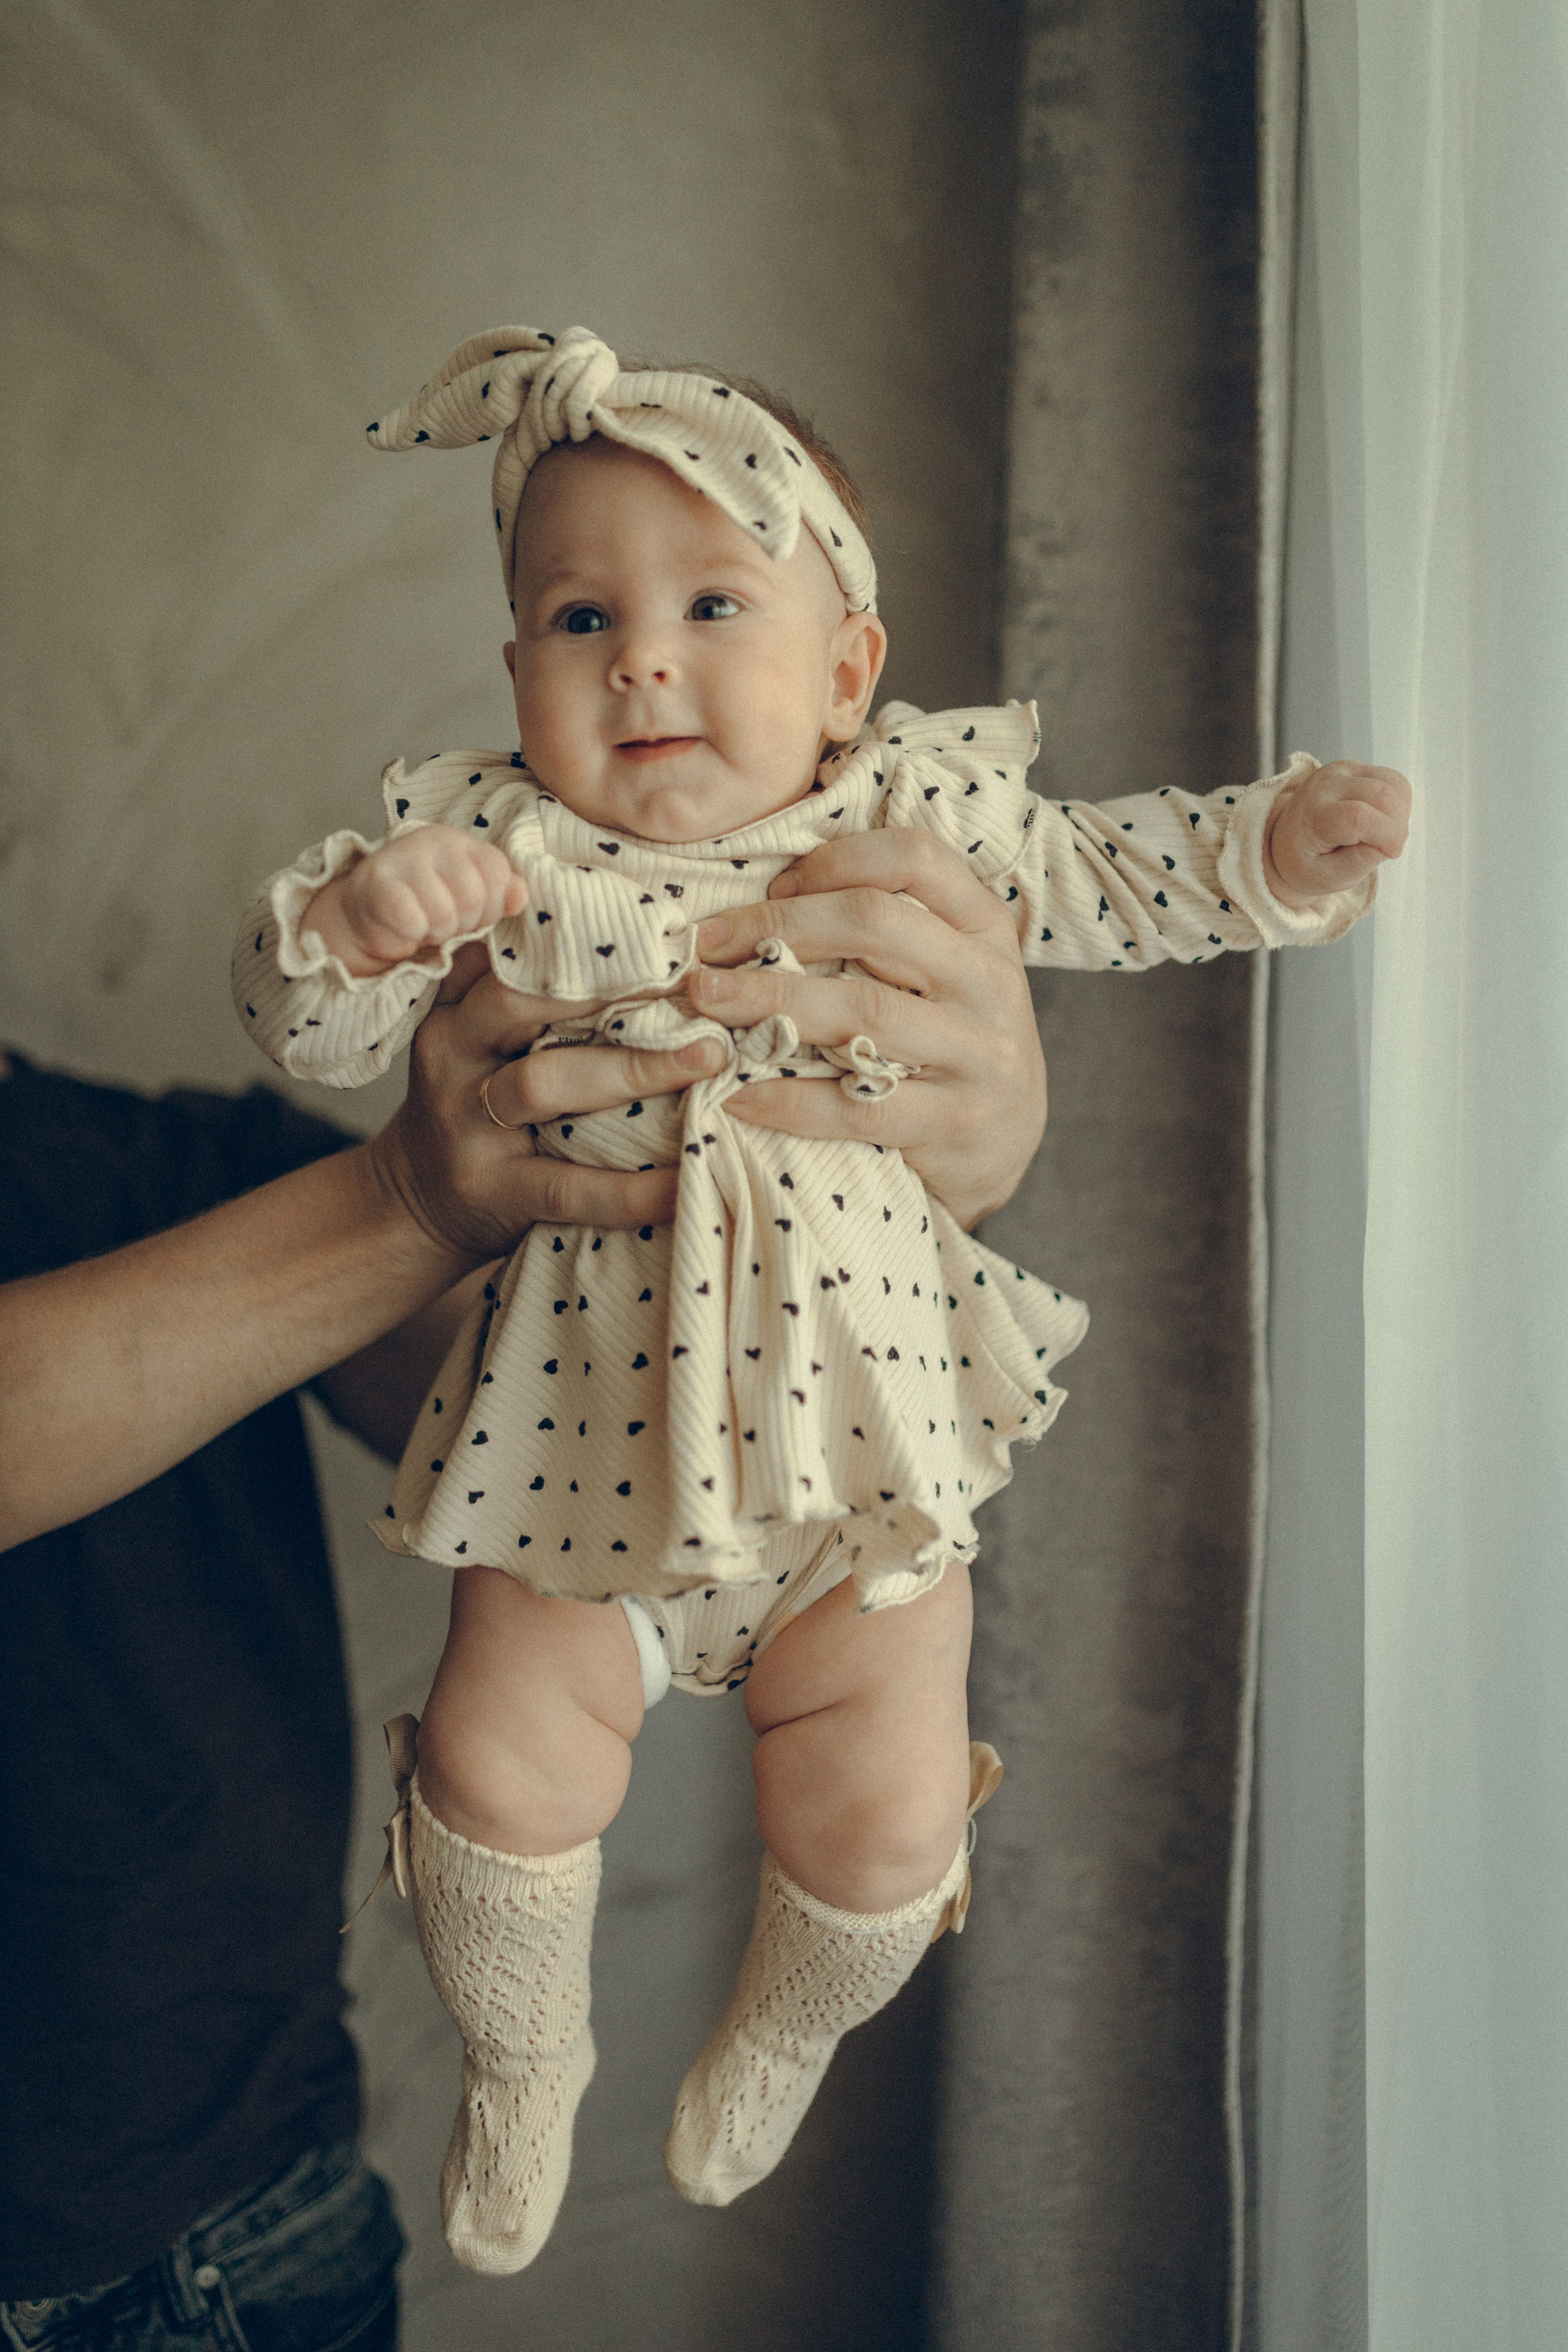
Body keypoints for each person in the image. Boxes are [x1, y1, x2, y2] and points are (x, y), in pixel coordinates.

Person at [233, 324, 1411, 2273]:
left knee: (877, 1815)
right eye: (578, 614)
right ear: (515, 670)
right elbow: (308, 1017)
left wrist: (1270, 856)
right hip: (579, 1461)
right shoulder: (502, 853)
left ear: (849, 668)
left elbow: (1115, 873)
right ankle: (524, 2059)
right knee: (496, 1768)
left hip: (851, 1468)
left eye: (712, 600)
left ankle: (791, 2018)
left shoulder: (917, 823)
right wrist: (362, 932)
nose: (643, 656)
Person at [0, 829, 1049, 2344]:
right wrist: (406, 1207)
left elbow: (607, 1444)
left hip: (250, 2237)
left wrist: (874, 1207)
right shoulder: (315, 1193)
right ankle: (525, 2059)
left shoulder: (165, 1164)